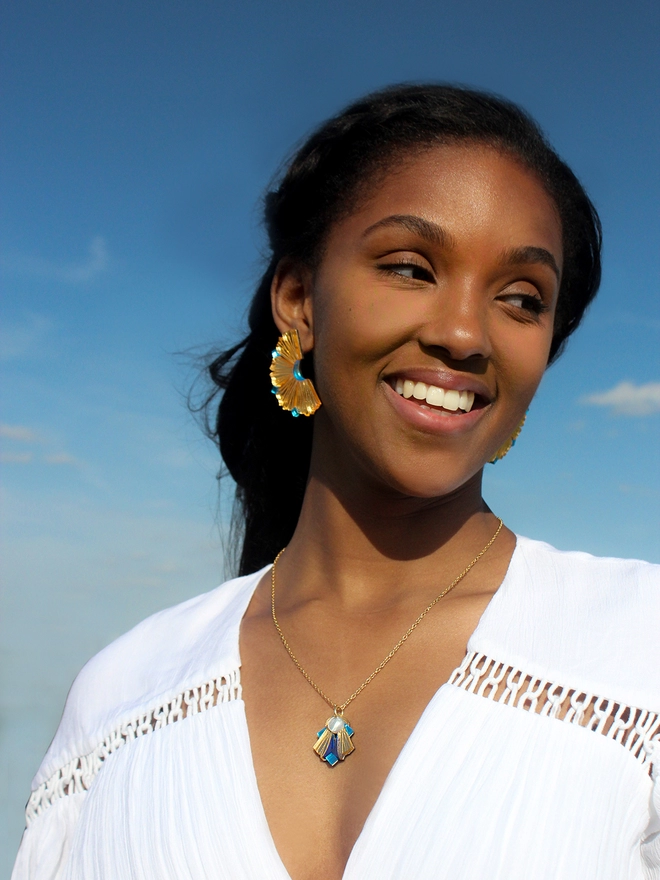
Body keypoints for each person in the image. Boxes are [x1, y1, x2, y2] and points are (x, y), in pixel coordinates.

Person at [12, 84, 660, 880]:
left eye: (522, 299)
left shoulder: (639, 658)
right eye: (410, 268)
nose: (463, 333)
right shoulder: (122, 697)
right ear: (299, 301)